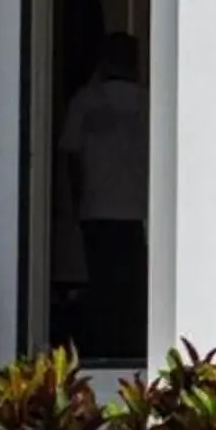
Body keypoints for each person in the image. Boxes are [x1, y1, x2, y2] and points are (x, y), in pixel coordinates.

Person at [58, 30, 149, 363]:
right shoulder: (149, 102)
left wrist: (76, 202)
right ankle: (130, 346)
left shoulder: (85, 101)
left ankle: (105, 347)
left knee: (102, 284)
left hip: (96, 208)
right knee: (132, 285)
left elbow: (71, 156)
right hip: (139, 209)